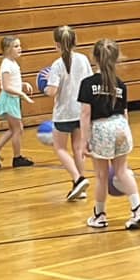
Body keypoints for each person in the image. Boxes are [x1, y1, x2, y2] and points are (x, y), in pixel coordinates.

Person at [78, 39, 140, 230]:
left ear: (95, 58)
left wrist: (84, 142)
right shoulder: (120, 84)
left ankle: (99, 216)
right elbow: (124, 113)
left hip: (101, 128)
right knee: (122, 171)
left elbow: (85, 114)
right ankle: (138, 209)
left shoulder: (87, 83)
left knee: (101, 175)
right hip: (121, 127)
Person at [45, 25, 94, 201]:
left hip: (64, 113)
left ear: (56, 45)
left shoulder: (57, 65)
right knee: (78, 149)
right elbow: (88, 83)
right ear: (75, 41)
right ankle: (81, 187)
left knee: (59, 148)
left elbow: (52, 91)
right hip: (80, 110)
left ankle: (78, 178)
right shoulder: (83, 59)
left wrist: (43, 85)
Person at [0, 36, 34, 169]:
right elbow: (6, 86)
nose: (20, 48)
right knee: (17, 129)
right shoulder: (6, 64)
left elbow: (13, 82)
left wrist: (23, 84)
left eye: (19, 45)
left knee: (15, 129)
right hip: (9, 99)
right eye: (16, 46)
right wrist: (22, 94)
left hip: (13, 98)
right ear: (7, 49)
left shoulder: (12, 63)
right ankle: (17, 158)